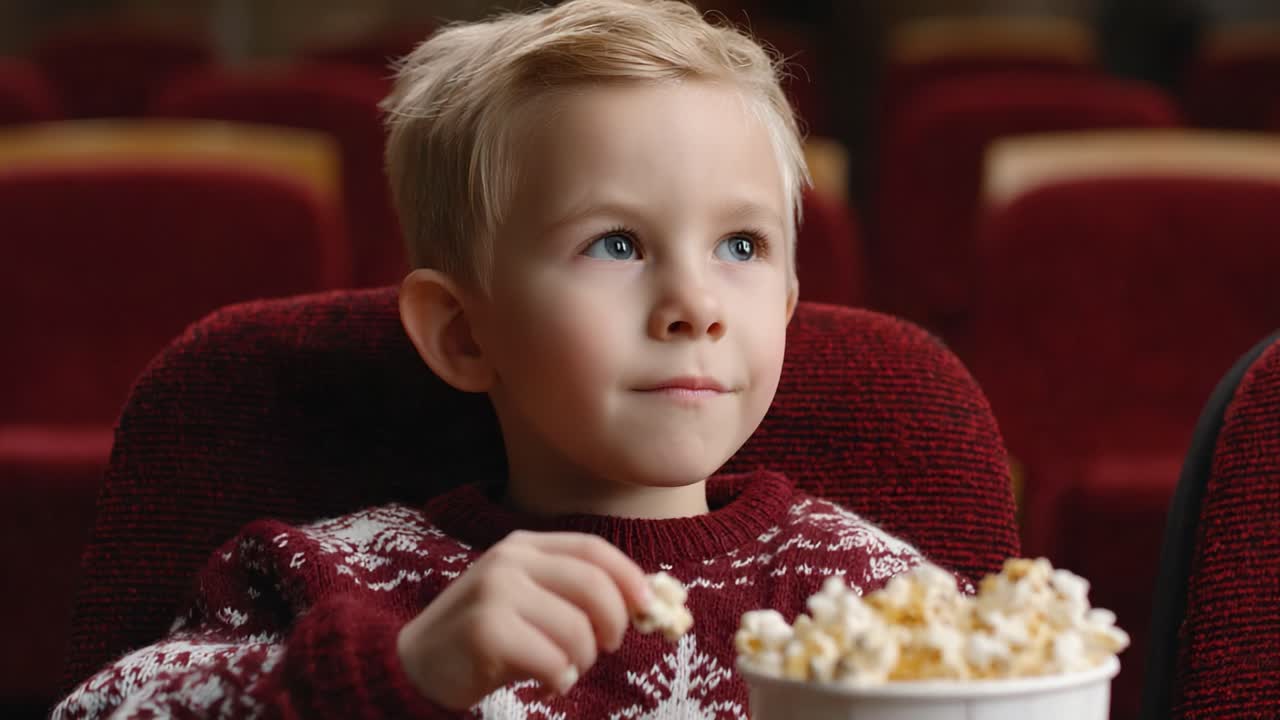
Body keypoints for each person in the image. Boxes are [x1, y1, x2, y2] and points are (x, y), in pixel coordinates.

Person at [54, 1, 952, 717]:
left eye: (743, 246)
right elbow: (104, 709)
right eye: (616, 244)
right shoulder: (338, 585)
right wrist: (398, 677)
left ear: (789, 311)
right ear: (462, 333)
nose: (696, 307)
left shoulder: (873, 592)